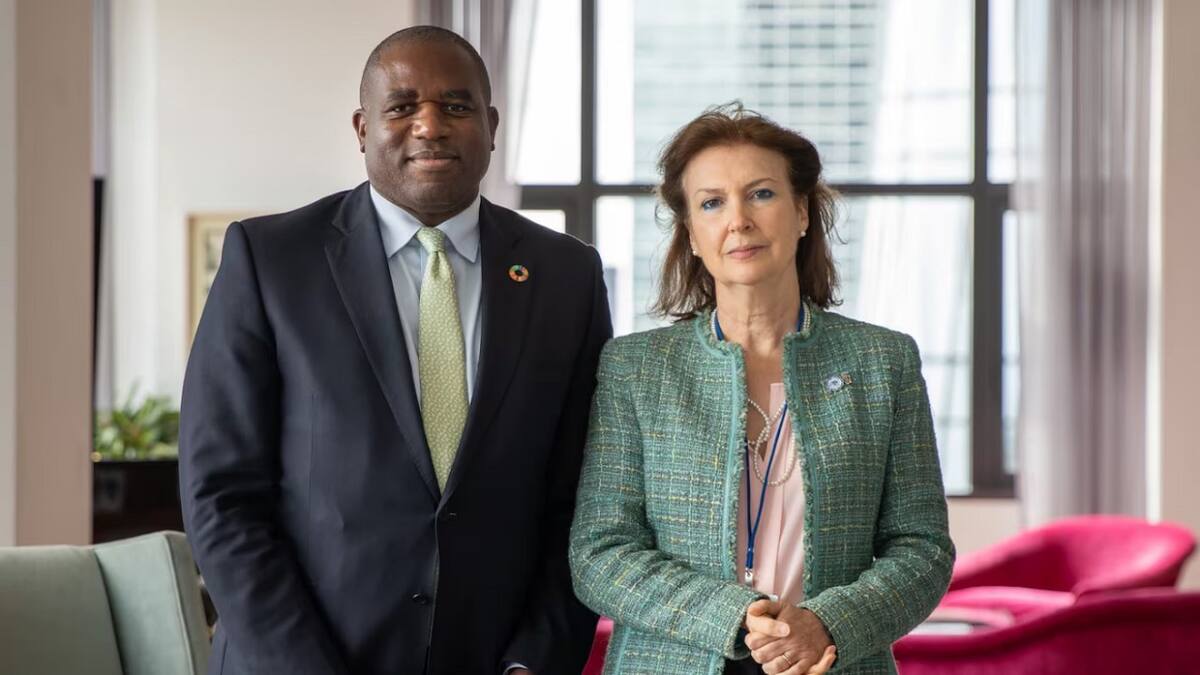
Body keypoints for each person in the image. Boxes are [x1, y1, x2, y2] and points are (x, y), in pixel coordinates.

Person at [180, 26, 608, 675]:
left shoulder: (565, 275)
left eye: (456, 106)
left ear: (491, 126)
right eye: (403, 106)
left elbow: (584, 499)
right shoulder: (270, 262)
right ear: (361, 127)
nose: (430, 126)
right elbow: (222, 495)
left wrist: (534, 661)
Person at [568, 104, 955, 675]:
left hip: (833, 660)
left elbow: (922, 548)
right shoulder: (635, 367)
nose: (739, 220)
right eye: (711, 203)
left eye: (762, 195)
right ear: (693, 235)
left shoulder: (883, 361)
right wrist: (736, 615)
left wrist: (829, 623)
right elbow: (599, 553)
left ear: (801, 213)